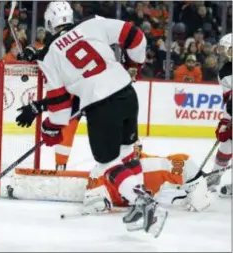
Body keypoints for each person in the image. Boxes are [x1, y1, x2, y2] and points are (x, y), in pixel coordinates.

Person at [16, 1, 167, 238]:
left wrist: (50, 129)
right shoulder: (93, 26)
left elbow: (60, 104)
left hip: (101, 105)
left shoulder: (51, 55)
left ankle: (144, 203)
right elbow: (135, 36)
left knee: (107, 164)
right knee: (127, 152)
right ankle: (137, 203)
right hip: (127, 94)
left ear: (48, 23)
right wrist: (132, 63)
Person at [11, 140, 212, 213]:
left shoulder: (150, 165)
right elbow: (93, 198)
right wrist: (98, 201)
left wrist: (197, 187)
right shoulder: (103, 170)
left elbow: (183, 162)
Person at [207, 33, 232, 197]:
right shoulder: (224, 72)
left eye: (227, 49)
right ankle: (214, 178)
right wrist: (225, 121)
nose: (223, 52)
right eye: (223, 49)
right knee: (226, 145)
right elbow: (229, 100)